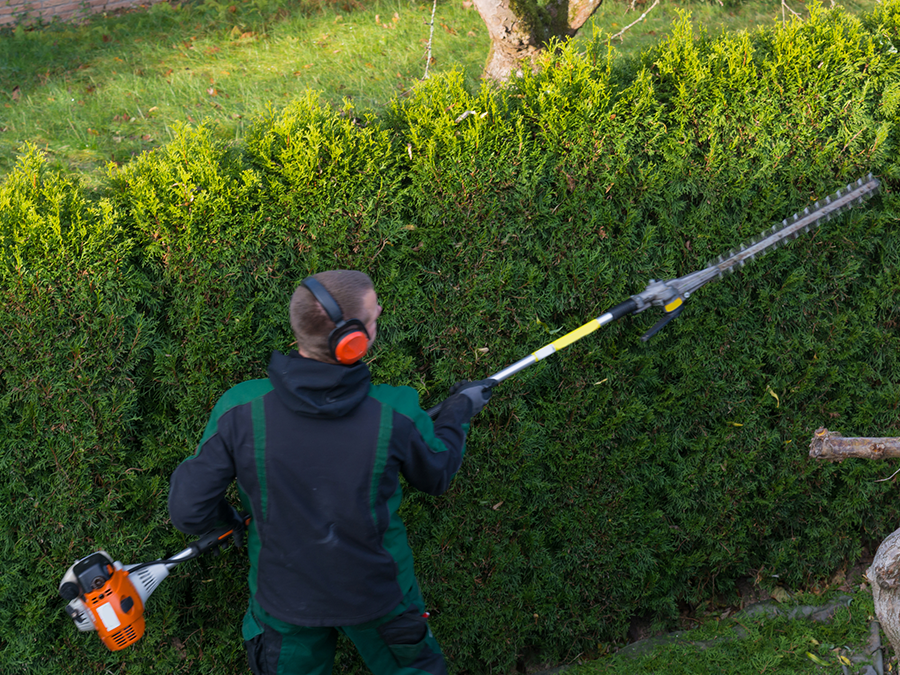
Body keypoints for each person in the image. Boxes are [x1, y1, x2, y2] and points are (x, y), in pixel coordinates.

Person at [168, 269, 495, 675]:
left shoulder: (240, 409)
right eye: (374, 315)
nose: (378, 318)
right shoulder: (395, 412)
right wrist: (458, 411)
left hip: (284, 601)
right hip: (378, 595)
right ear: (352, 339)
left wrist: (230, 520)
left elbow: (188, 510)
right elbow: (437, 472)